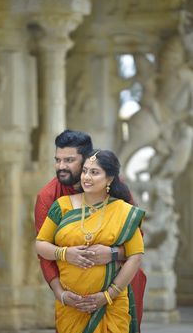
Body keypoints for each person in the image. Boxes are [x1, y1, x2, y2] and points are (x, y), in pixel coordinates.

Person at [34, 130, 146, 327]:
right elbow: (44, 252)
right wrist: (60, 294)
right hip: (73, 301)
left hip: (119, 288)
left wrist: (112, 254)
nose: (61, 166)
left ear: (87, 158)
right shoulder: (49, 198)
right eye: (58, 160)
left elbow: (136, 242)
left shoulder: (118, 192)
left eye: (69, 160)